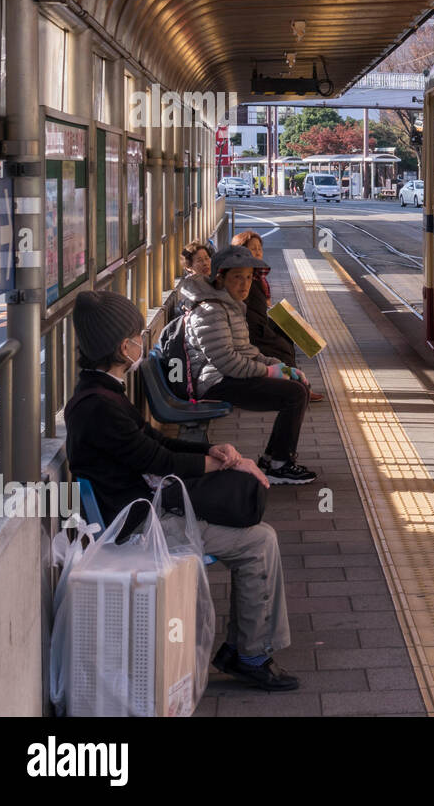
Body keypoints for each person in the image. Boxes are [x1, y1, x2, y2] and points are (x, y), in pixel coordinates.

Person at [64, 290, 300, 692]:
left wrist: (211, 449)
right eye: (138, 336)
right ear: (124, 347)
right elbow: (156, 459)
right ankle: (250, 655)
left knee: (256, 535)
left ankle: (247, 650)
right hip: (137, 526)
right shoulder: (99, 406)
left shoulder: (99, 395)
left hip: (138, 511)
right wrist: (228, 463)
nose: (144, 342)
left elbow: (154, 442)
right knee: (260, 541)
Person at [181, 245, 317, 485]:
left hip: (225, 376)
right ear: (219, 278)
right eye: (236, 277)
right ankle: (279, 464)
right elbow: (226, 361)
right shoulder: (210, 309)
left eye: (247, 277)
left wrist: (283, 367)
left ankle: (273, 460)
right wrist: (270, 371)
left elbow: (246, 352)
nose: (244, 285)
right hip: (214, 382)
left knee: (297, 387)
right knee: (294, 394)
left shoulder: (229, 304)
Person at [230, 230, 324, 403]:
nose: (258, 252)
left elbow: (258, 307)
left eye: (259, 248)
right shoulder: (241, 276)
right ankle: (299, 389)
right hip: (249, 331)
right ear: (240, 252)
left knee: (287, 332)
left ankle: (296, 382)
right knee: (281, 347)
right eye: (253, 249)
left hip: (256, 324)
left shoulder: (256, 275)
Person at [164, 240, 213, 324]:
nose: (205, 263)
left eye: (207, 258)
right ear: (188, 267)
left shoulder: (216, 280)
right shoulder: (188, 288)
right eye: (199, 260)